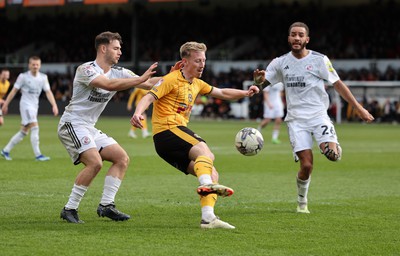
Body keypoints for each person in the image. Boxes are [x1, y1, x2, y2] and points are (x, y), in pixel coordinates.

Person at [130, 41, 259, 229]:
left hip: (168, 144)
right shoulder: (171, 79)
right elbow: (149, 97)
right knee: (205, 153)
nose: (202, 64)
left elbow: (221, 92)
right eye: (198, 60)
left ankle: (208, 218)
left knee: (212, 173)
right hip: (167, 131)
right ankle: (206, 186)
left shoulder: (197, 83)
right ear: (185, 62)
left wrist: (246, 93)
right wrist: (138, 112)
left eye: (204, 60)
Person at [253, 22, 374, 214]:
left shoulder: (319, 60)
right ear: (288, 38)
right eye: (293, 34)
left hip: (319, 116)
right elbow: (259, 87)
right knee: (307, 165)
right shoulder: (279, 62)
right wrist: (257, 82)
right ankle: (302, 202)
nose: (297, 38)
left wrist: (358, 108)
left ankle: (331, 146)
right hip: (296, 120)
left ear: (307, 39)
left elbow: (338, 84)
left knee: (333, 156)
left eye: (301, 35)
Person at [58, 31, 159, 224]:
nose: (120, 52)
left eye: (120, 48)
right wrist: (138, 80)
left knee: (121, 158)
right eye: (116, 48)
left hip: (89, 127)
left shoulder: (120, 72)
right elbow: (108, 84)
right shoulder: (86, 69)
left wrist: (177, 76)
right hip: (72, 123)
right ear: (103, 48)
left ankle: (106, 206)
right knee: (95, 163)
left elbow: (148, 82)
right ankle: (69, 209)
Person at [0, 57, 58, 161]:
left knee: (24, 131)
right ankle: (38, 155)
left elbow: (48, 92)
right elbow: (14, 91)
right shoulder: (23, 77)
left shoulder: (43, 77)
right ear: (29, 65)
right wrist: (5, 105)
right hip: (26, 105)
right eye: (33, 64)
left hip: (35, 106)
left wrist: (54, 105)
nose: (35, 66)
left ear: (40, 65)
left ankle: (5, 151)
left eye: (37, 64)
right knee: (35, 127)